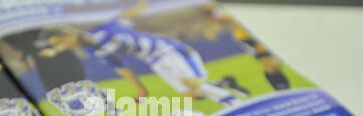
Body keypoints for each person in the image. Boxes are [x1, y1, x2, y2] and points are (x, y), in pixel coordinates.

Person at [35, 1, 248, 106]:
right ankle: (224, 84)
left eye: (61, 42)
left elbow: (126, 15)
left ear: (67, 35)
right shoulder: (93, 50)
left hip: (168, 49)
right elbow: (122, 68)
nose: (63, 47)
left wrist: (145, 3)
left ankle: (235, 105)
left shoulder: (102, 30)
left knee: (190, 81)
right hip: (154, 61)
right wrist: (141, 90)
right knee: (192, 95)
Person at [202, 2, 290, 91]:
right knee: (269, 64)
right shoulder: (218, 11)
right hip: (247, 39)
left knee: (275, 64)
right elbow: (219, 22)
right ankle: (281, 89)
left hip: (259, 34)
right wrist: (212, 30)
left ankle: (283, 88)